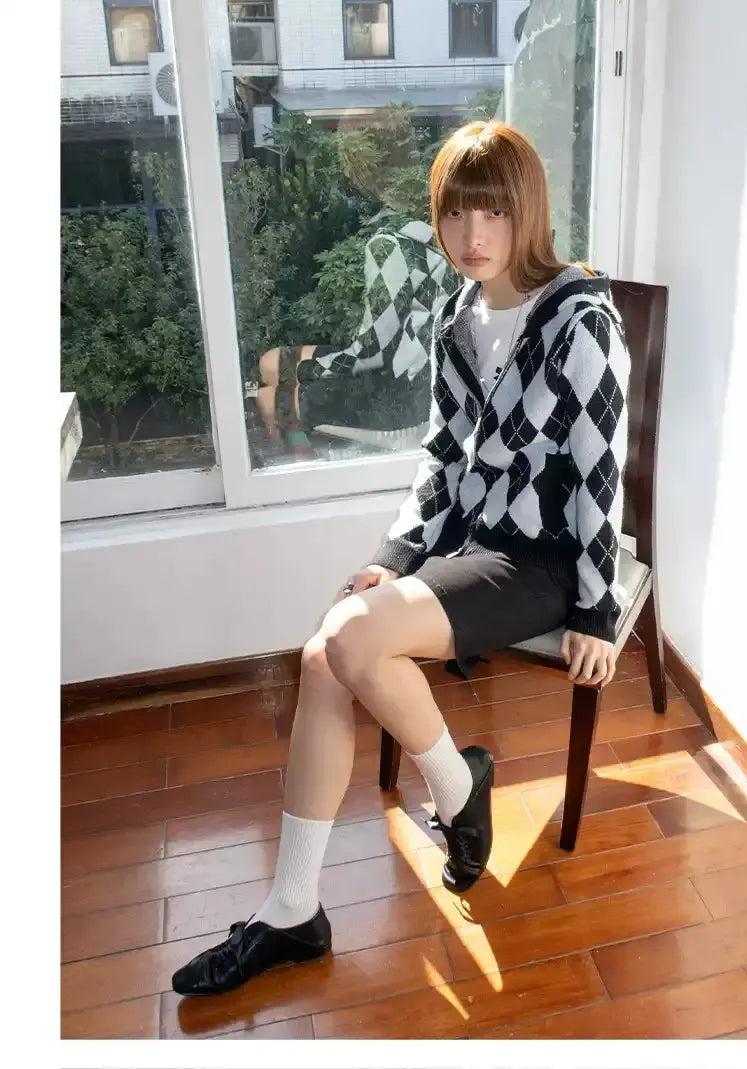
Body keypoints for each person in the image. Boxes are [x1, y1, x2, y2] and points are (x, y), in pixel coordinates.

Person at [171, 119, 631, 996]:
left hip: (543, 559)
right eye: (455, 213)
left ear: (527, 211)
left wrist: (597, 609)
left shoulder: (582, 321)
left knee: (347, 637)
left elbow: (602, 471)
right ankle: (294, 906)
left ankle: (456, 790)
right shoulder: (460, 317)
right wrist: (396, 552)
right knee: (324, 654)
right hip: (469, 546)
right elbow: (442, 455)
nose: (472, 235)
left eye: (493, 212)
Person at [255, 218, 461, 453]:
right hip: (404, 369)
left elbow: (372, 353)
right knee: (271, 362)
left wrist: (304, 373)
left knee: (272, 398)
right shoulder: (428, 241)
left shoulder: (391, 245)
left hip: (410, 401)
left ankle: (297, 465)